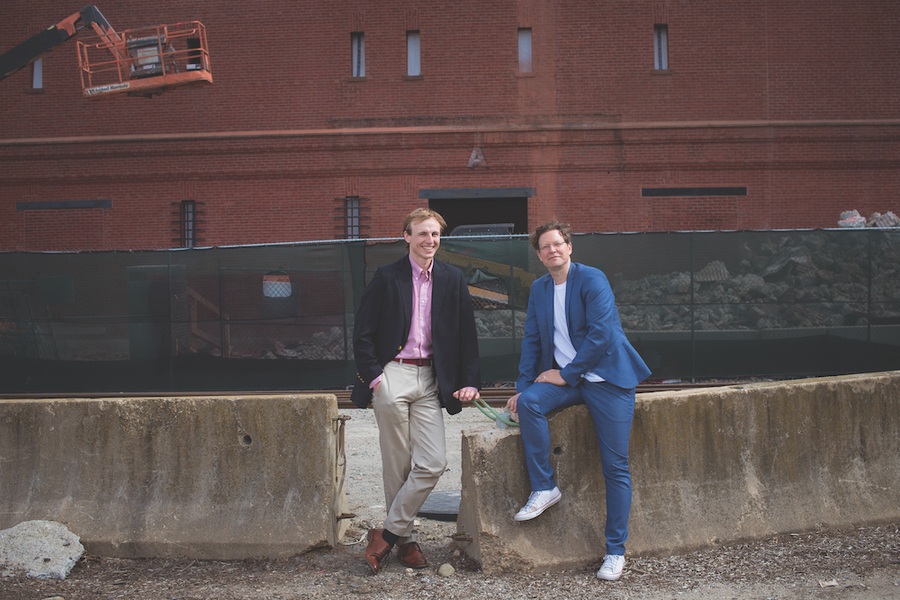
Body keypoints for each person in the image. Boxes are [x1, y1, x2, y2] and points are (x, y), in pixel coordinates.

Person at [505, 219, 650, 582]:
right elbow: (533, 342)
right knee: (530, 404)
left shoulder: (592, 279)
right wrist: (523, 386)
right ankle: (544, 487)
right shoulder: (539, 289)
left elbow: (601, 335)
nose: (552, 250)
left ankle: (616, 552)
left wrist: (566, 373)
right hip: (571, 380)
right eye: (545, 247)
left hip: (607, 379)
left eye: (558, 244)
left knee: (615, 467)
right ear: (539, 255)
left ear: (570, 247)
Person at [351, 207, 482, 575]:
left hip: (431, 378)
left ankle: (388, 535)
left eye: (435, 235)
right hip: (393, 372)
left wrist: (469, 380)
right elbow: (362, 334)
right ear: (407, 236)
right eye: (422, 234)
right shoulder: (386, 277)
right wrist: (376, 379)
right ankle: (407, 543)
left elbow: (465, 335)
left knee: (433, 462)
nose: (430, 241)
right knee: (397, 462)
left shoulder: (453, 278)